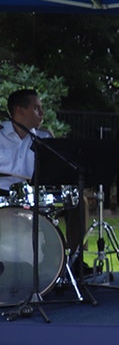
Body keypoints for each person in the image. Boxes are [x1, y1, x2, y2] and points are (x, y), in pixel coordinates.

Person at [1, 89, 88, 264]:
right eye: (36, 108)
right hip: (2, 193)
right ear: (19, 111)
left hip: (34, 194)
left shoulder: (44, 137)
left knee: (80, 202)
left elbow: (56, 173)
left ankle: (73, 260)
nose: (42, 113)